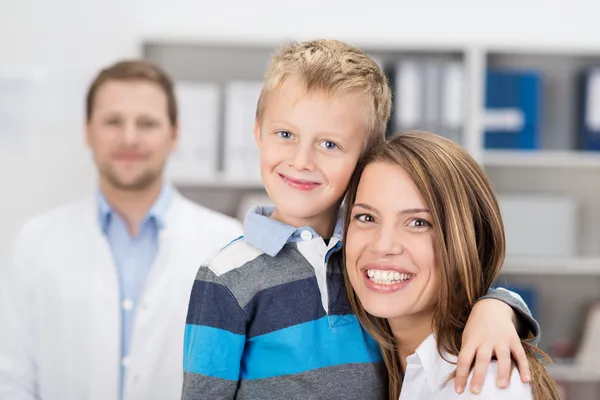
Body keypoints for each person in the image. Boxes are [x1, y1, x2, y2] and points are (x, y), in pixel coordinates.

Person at [181, 39, 540, 400]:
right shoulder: (226, 275)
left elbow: (453, 290)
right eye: (285, 134)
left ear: (367, 155)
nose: (302, 160)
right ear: (258, 134)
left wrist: (496, 307)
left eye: (329, 144)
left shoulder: (357, 258)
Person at [0, 60, 243, 400]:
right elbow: (11, 379)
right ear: (87, 131)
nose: (129, 138)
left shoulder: (226, 242)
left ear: (174, 134)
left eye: (147, 123)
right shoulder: (35, 242)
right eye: (113, 121)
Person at [343, 131, 561, 399]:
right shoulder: (368, 356)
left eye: (418, 223)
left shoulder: (484, 385)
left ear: (467, 241)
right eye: (366, 217)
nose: (382, 245)